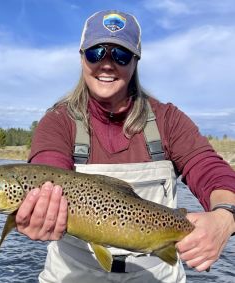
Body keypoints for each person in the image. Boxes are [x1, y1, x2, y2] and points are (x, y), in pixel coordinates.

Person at [16, 10, 235, 283]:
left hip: (155, 273)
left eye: (120, 55)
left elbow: (210, 170)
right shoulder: (59, 121)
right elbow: (46, 173)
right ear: (82, 57)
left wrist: (226, 217)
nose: (107, 64)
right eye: (96, 53)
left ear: (135, 62)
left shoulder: (168, 120)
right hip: (74, 274)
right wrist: (40, 209)